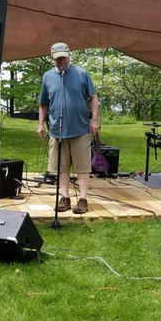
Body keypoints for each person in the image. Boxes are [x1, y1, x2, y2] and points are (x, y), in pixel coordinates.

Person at [37, 43, 100, 215]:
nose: (61, 61)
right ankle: (64, 197)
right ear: (53, 59)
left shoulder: (81, 74)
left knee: (82, 166)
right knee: (61, 166)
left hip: (80, 128)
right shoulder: (48, 77)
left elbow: (93, 97)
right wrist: (41, 124)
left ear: (69, 56)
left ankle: (83, 199)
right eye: (58, 59)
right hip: (57, 130)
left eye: (64, 58)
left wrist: (94, 120)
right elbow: (44, 103)